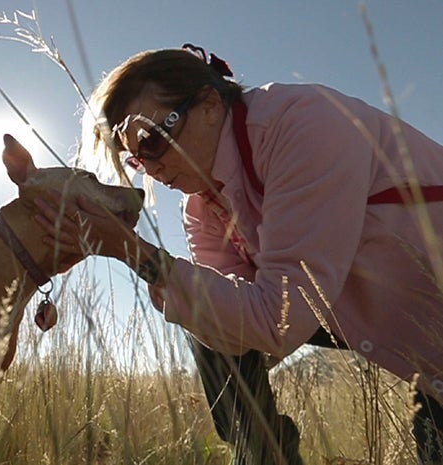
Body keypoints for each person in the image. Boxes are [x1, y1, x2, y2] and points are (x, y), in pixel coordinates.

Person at [33, 44, 443, 464]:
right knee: (209, 316)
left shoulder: (302, 124)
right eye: (136, 159)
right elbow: (232, 324)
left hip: (425, 325)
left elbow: (277, 320)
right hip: (412, 339)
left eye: (153, 141)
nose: (150, 168)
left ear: (210, 104)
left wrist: (133, 252)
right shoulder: (200, 206)